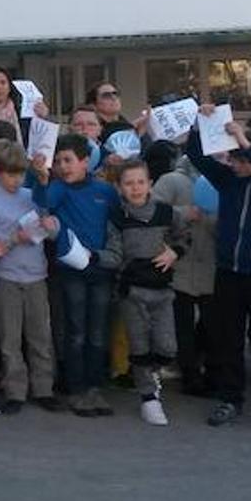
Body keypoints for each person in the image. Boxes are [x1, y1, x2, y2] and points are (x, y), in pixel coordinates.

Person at [186, 112, 251, 436]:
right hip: (229, 271)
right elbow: (196, 155)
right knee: (227, 338)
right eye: (231, 156)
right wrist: (198, 125)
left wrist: (245, 142)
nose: (232, 162)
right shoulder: (228, 180)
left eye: (237, 157)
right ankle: (230, 397)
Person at [32, 134, 119, 417]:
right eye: (58, 162)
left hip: (101, 268)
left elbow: (118, 222)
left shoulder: (104, 190)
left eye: (69, 160)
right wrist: (42, 179)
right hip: (71, 270)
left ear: (85, 161)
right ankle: (77, 389)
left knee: (97, 332)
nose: (63, 166)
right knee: (76, 330)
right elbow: (41, 202)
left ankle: (95, 388)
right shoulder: (58, 188)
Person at [102, 160, 187, 426]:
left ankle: (154, 373)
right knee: (139, 345)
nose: (135, 188)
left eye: (140, 182)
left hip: (163, 290)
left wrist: (175, 251)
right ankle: (148, 398)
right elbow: (114, 253)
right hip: (131, 291)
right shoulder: (117, 218)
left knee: (166, 346)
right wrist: (92, 258)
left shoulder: (166, 212)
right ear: (119, 187)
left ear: (150, 184)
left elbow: (183, 236)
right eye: (129, 183)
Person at [0, 141, 59, 414]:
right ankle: (15, 391)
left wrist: (51, 226)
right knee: (10, 338)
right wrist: (15, 237)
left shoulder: (31, 194)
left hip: (36, 275)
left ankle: (44, 388)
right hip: (7, 277)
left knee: (40, 335)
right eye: (10, 174)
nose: (16, 179)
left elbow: (49, 223)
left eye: (20, 174)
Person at [148, 144, 217, 398]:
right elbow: (151, 209)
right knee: (182, 324)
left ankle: (209, 370)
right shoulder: (172, 180)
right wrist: (183, 214)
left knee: (211, 324)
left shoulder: (222, 179)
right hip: (179, 264)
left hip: (210, 262)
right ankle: (189, 374)